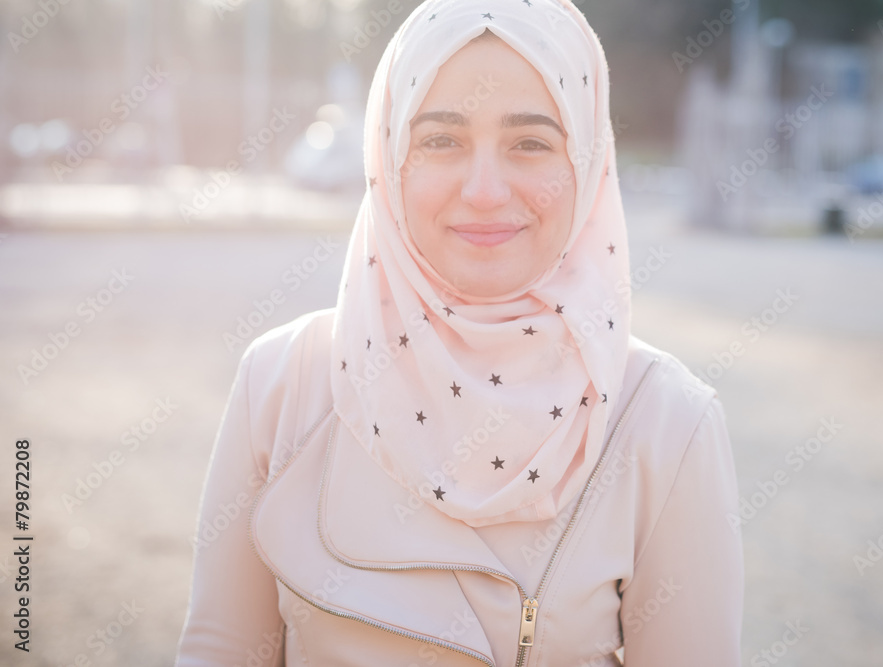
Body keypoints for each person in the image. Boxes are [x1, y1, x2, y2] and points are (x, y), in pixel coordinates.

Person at [175, 0, 743, 665]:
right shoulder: (281, 383)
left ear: (588, 163)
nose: (483, 190)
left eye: (530, 142)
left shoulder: (666, 422)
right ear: (389, 158)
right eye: (440, 140)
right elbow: (220, 650)